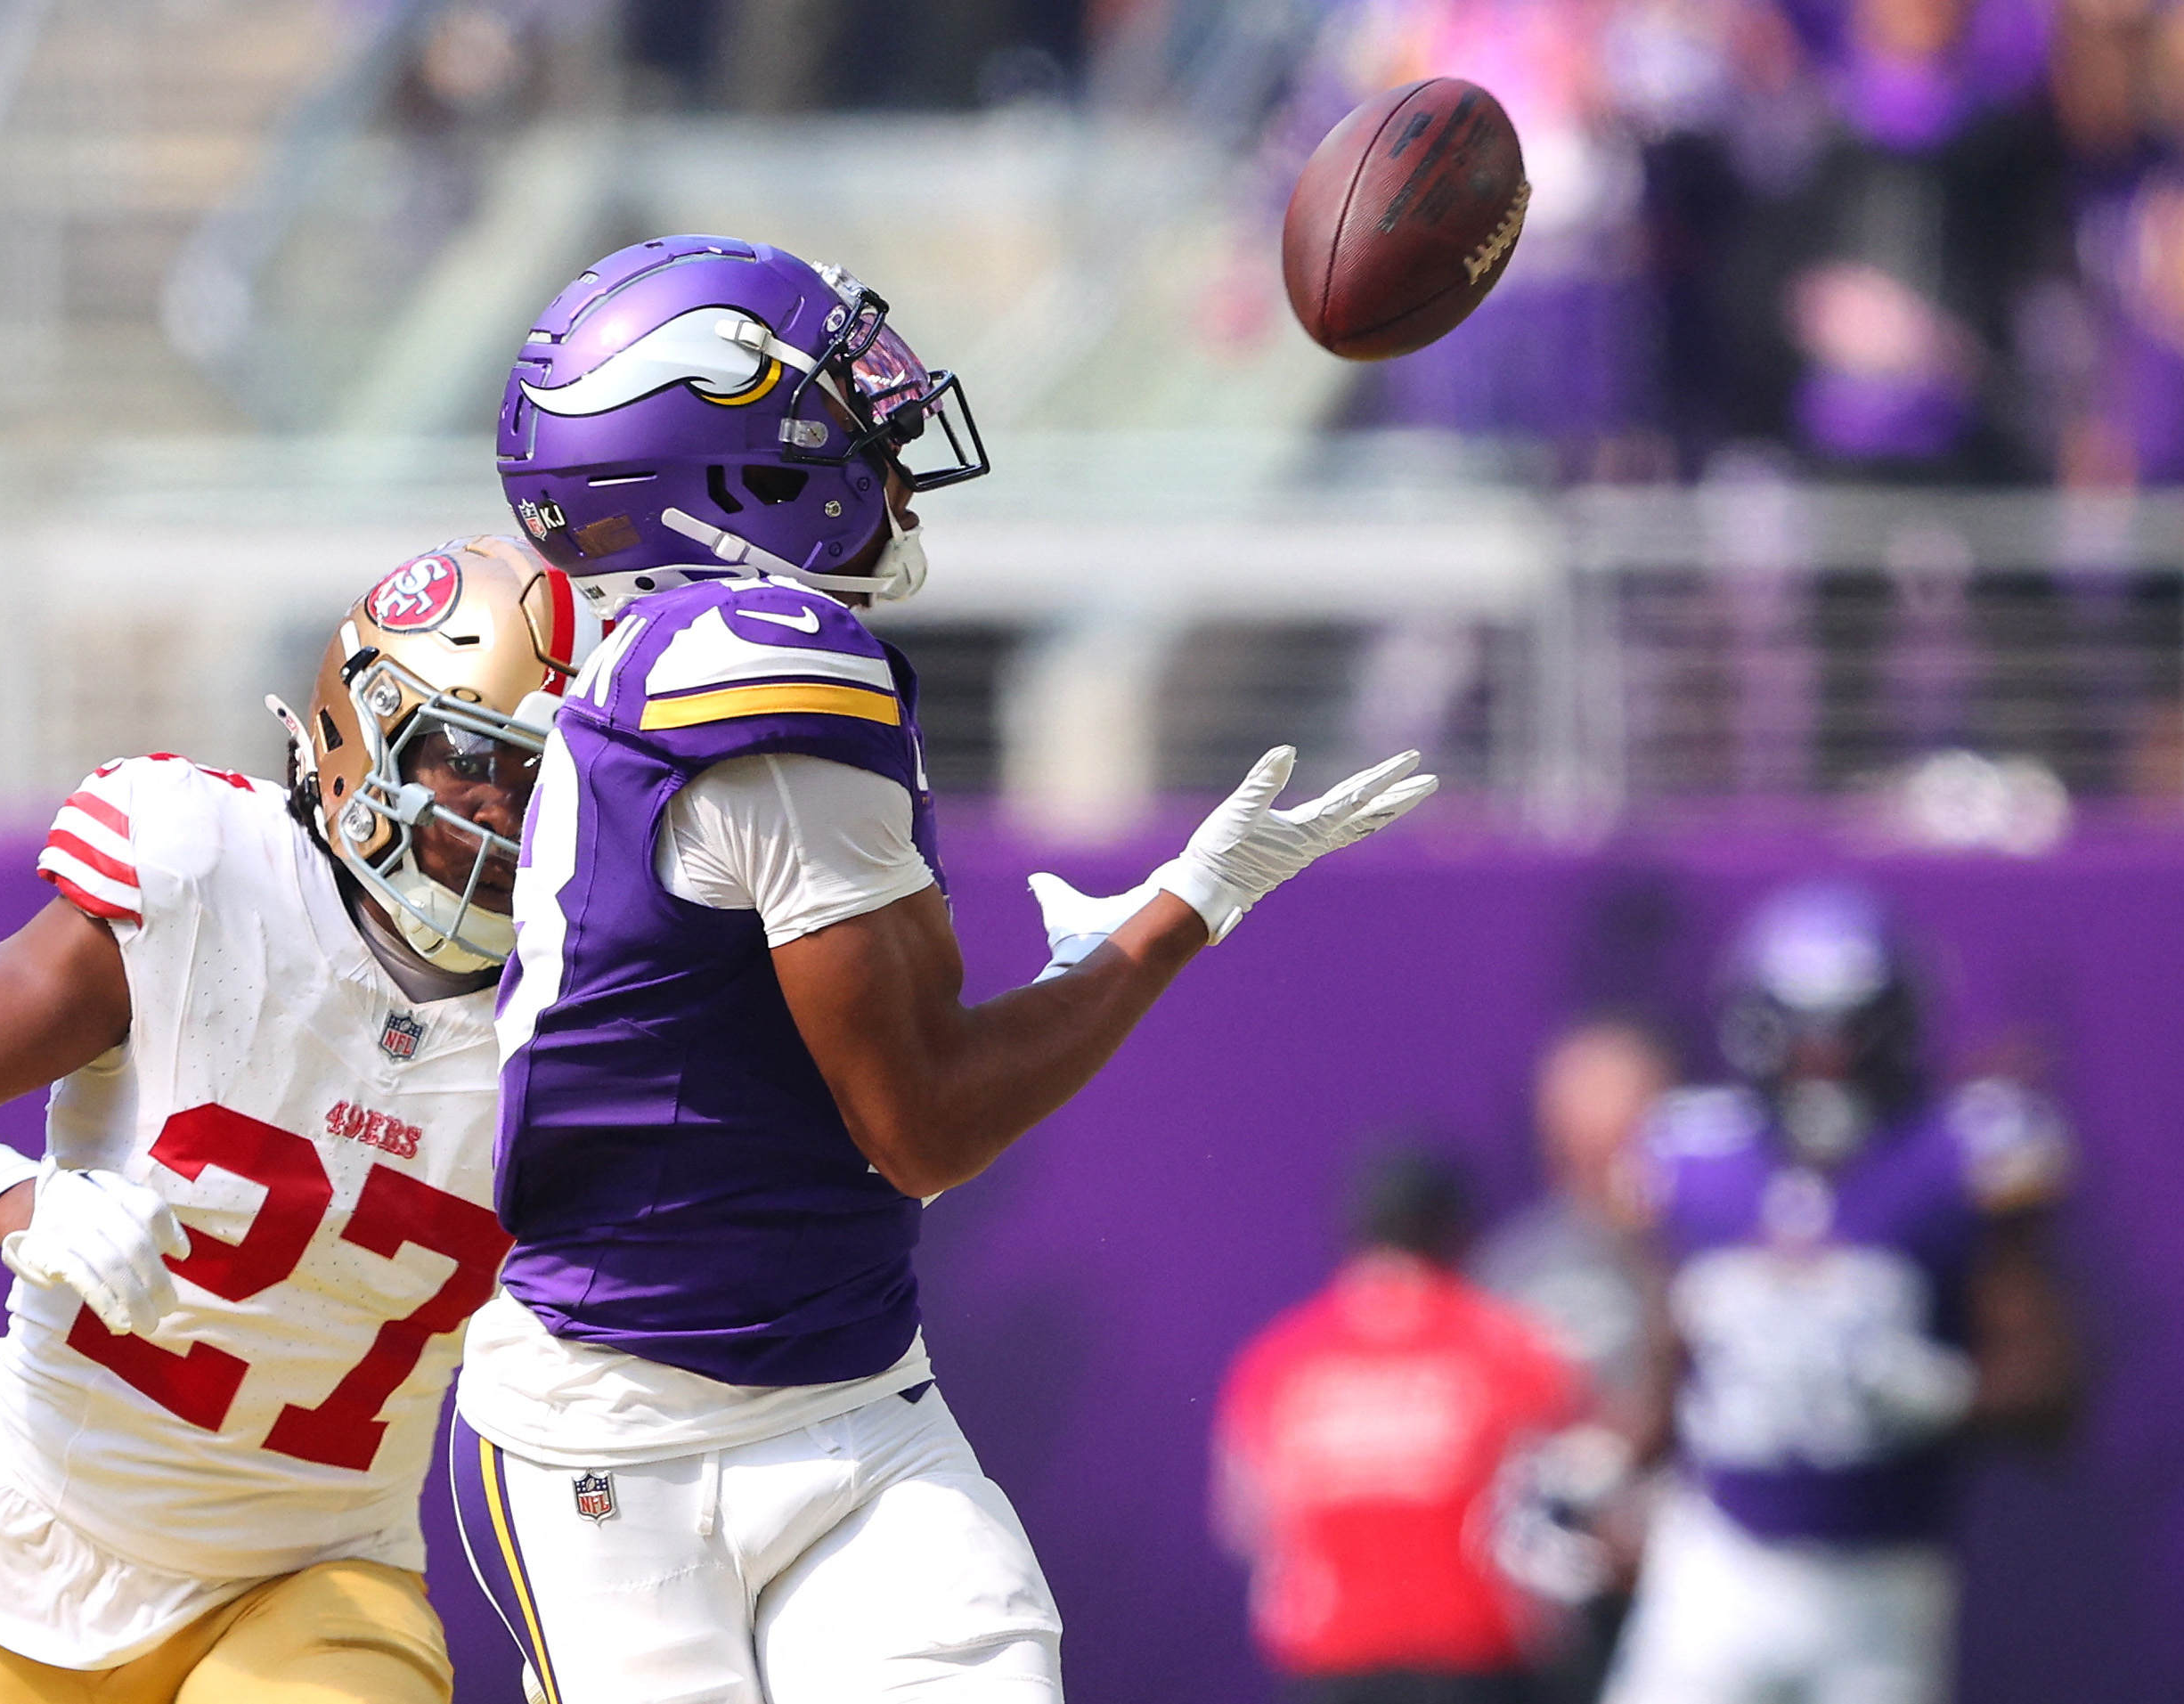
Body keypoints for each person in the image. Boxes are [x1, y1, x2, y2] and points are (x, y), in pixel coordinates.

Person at [446, 233, 1439, 1704]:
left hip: (847, 1391)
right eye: (839, 411)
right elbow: (919, 1123)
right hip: (619, 1438)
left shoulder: (674, 650)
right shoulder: (754, 665)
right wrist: (1179, 913)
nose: (887, 438)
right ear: (728, 465)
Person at [0, 537, 595, 1703]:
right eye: (474, 758)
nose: (503, 812)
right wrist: (20, 1199)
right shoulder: (205, 872)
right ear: (362, 733)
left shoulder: (586, 1008)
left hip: (322, 1573)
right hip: (44, 1546)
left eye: (546, 782)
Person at [1601, 881, 2082, 1704]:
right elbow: (1668, 1360)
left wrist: (1944, 1393)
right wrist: (1602, 1468)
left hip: (1884, 1577)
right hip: (1720, 1561)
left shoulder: (1959, 1155)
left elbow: (2053, 1393)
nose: (1822, 1059)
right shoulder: (1694, 1154)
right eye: (1800, 1032)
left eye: (1849, 1032)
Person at [1213, 1147, 1583, 1704]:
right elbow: (1568, 1494)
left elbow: (1242, 1521)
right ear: (1454, 1233)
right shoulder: (1505, 1343)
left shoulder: (1279, 1358)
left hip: (1329, 1666)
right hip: (1473, 1661)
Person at [1470, 1018, 1679, 1703]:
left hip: (1707, 1585)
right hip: (1559, 1615)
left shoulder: (1725, 1244)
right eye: (1593, 1132)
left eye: (1636, 1125)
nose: (1617, 1155)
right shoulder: (1515, 1268)